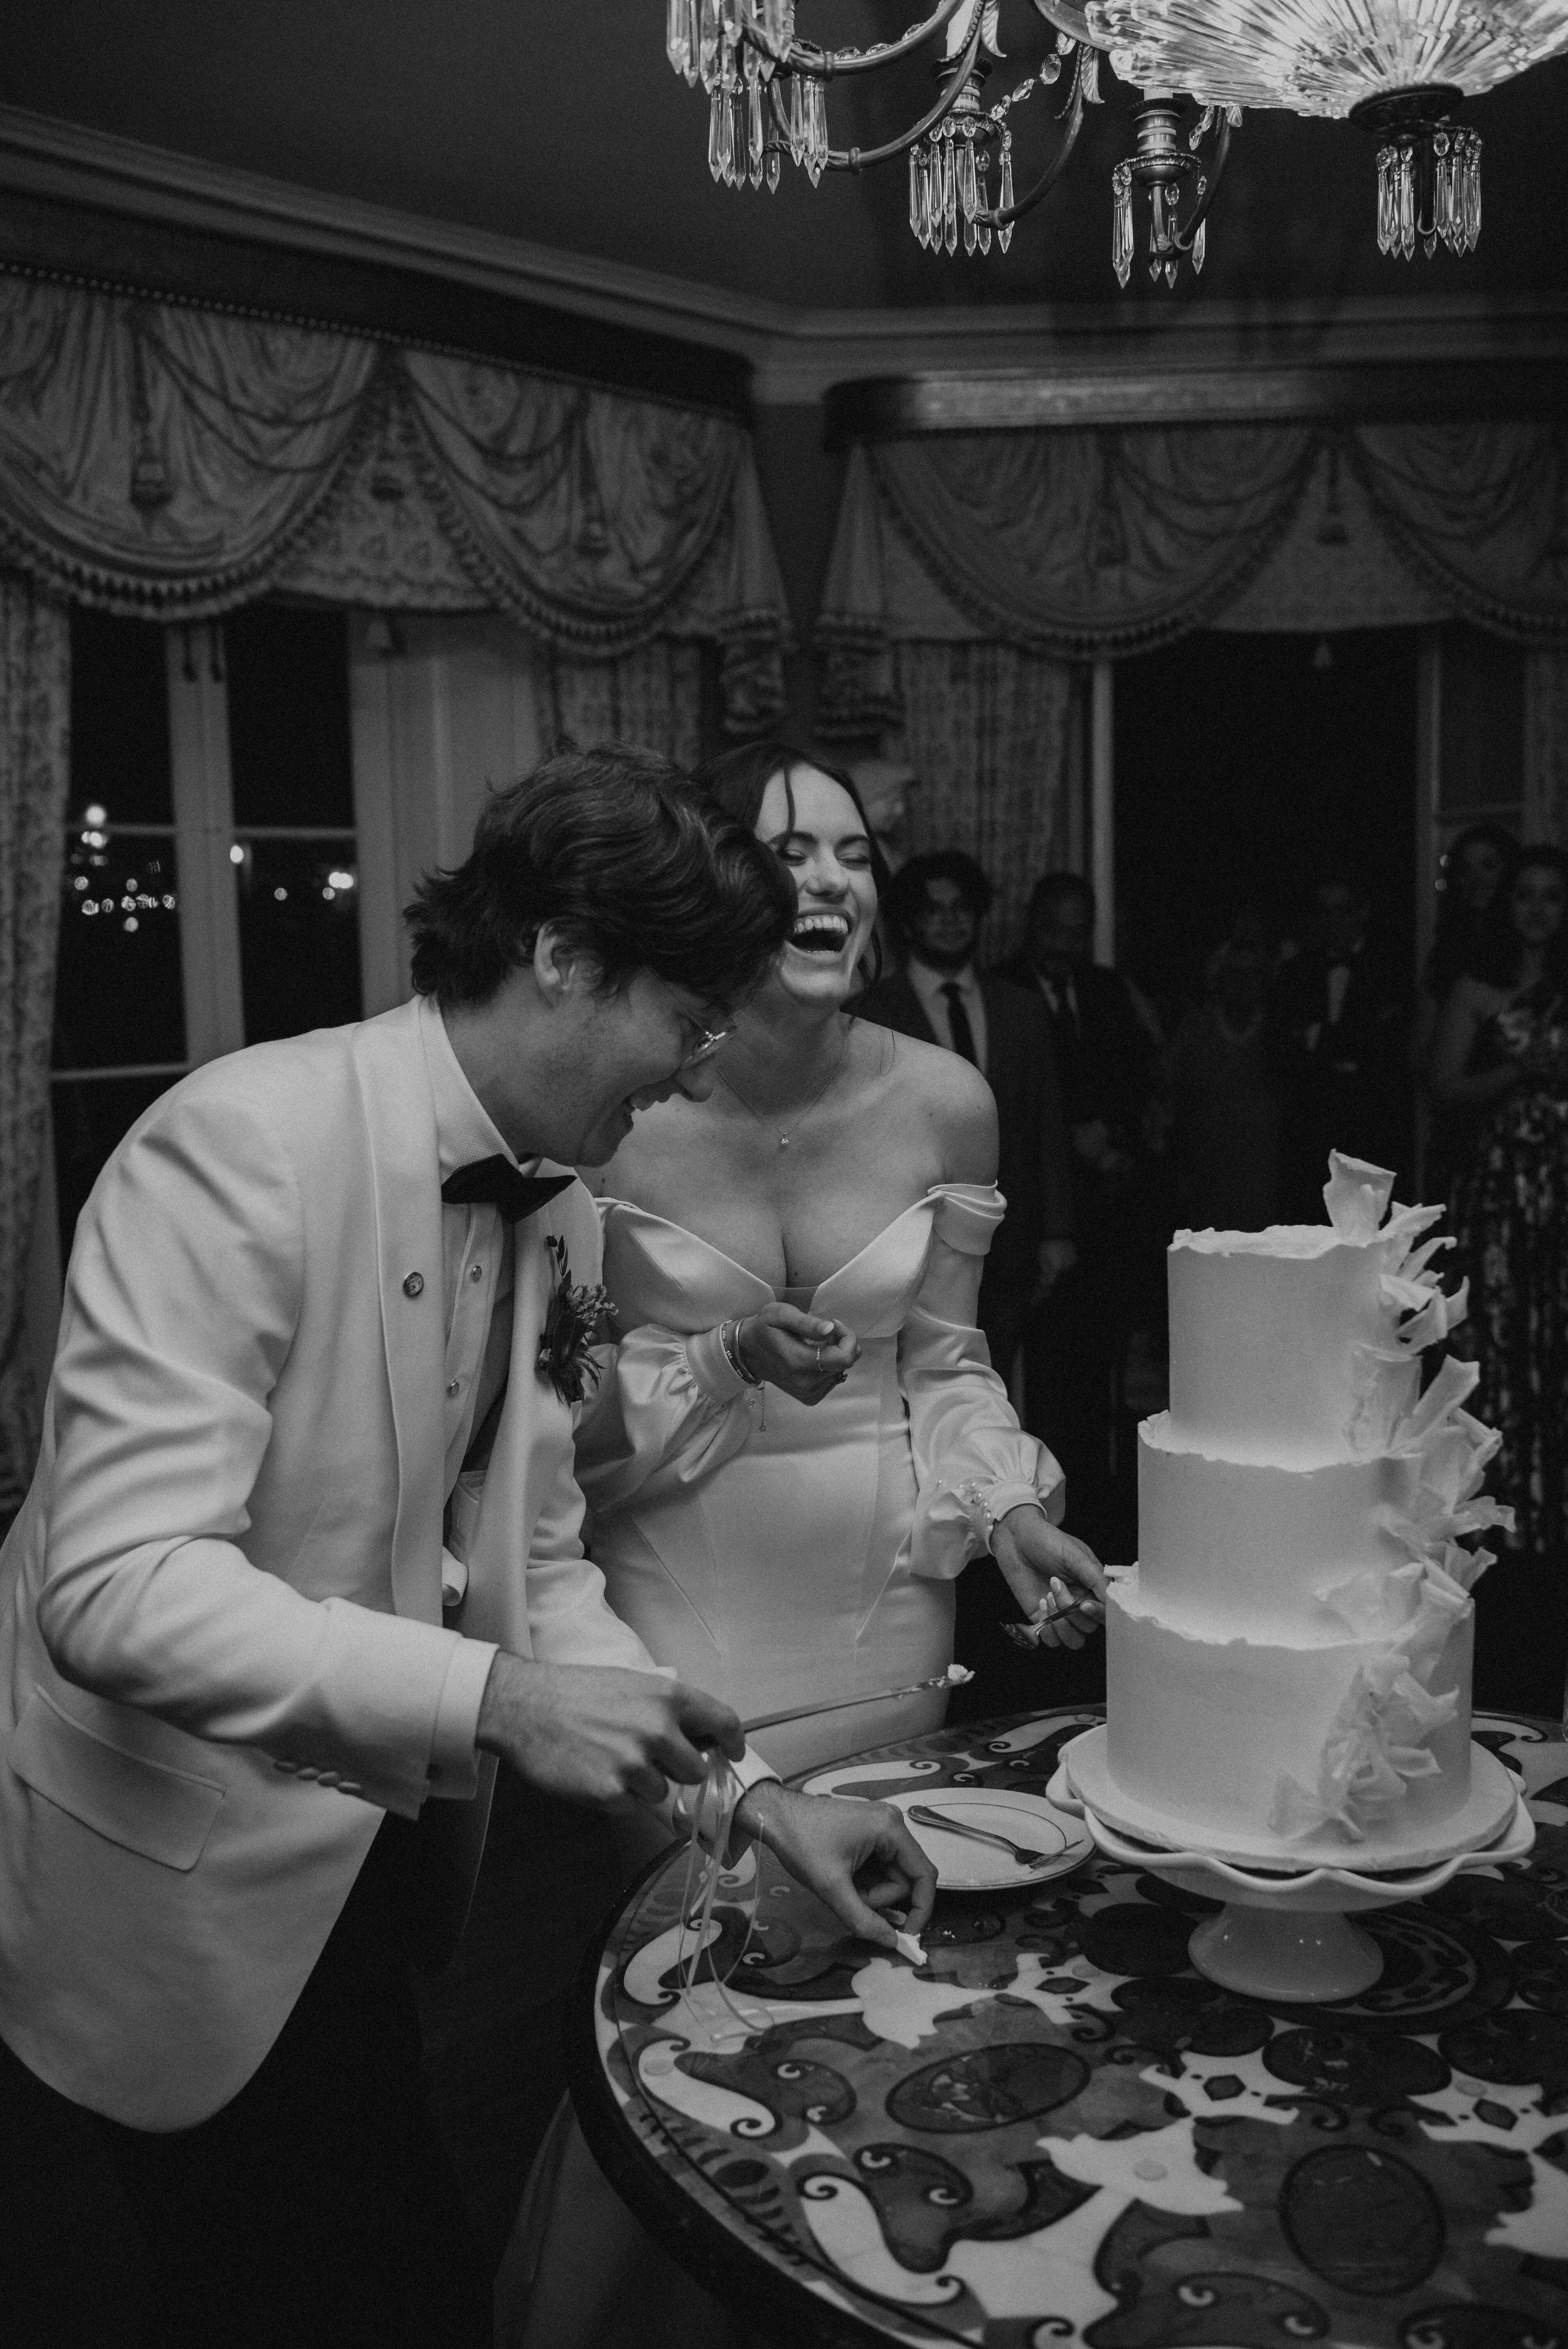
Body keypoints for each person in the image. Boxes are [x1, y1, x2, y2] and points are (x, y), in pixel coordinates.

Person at [0, 745, 936, 2349]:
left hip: (358, 1845)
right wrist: (496, 1700)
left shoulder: (560, 1207)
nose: (702, 1074)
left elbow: (547, 1561)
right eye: (688, 1019)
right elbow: (111, 1587)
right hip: (168, 1868)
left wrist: (752, 1802)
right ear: (564, 957)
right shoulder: (235, 1145)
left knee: (342, 2262)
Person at [503, 743, 1105, 2349]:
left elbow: (952, 1363)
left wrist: (1014, 1513)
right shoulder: (619, 1111)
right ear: (720, 882)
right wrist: (716, 1361)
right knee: (702, 2005)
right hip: (671, 1613)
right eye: (791, 849)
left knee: (883, 1990)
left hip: (884, 1622)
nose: (831, 879)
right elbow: (554, 1432)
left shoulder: (946, 1101)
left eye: (853, 851)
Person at [857, 848, 1076, 1381]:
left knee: (996, 1391)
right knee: (918, 1388)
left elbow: (1047, 1121)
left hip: (1013, 1241)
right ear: (908, 922)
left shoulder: (1020, 1008)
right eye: (934, 908)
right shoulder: (872, 1015)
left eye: (961, 906)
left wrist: (1058, 1230)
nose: (951, 919)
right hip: (913, 1244)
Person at [995, 871, 1160, 1522]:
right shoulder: (1000, 988)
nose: (1064, 943)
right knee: (1043, 1374)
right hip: (1037, 1215)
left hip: (1108, 1212)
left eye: (1077, 930)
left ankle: (1098, 1505)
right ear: (1030, 923)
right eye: (1052, 928)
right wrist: (1069, 1140)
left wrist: (1113, 1138)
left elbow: (1136, 1078)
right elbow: (1015, 1103)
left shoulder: (1106, 990)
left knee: (1100, 1364)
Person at [1432, 844, 1568, 1566]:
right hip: (1499, 1192)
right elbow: (1443, 1086)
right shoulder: (1475, 989)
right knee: (1501, 1348)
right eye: (1525, 895)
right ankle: (1502, 1516)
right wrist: (1519, 1070)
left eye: (1552, 895)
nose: (1538, 909)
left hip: (1562, 1186)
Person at [1274, 866, 1411, 1217]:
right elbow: (1282, 1052)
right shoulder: (1295, 972)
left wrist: (1321, 1038)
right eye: (1324, 912)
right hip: (1310, 1127)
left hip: (1373, 1123)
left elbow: (1386, 1050)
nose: (1333, 921)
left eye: (1343, 911)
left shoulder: (1393, 967)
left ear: (1362, 913)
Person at [1412, 822, 1518, 1198]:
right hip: (1458, 1119)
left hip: (1518, 1119)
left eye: (1488, 865)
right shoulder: (1446, 953)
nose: (1476, 878)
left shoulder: (1527, 949)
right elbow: (1422, 1053)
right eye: (1465, 868)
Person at [1167, 930, 1284, 1232]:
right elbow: (1174, 1105)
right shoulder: (1194, 1031)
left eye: (1253, 974)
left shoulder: (1282, 1033)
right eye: (1234, 973)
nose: (1244, 984)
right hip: (1204, 1180)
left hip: (1269, 1181)